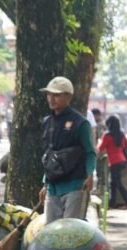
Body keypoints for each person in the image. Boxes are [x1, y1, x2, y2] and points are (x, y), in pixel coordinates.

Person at [38, 76, 96, 224]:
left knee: (70, 231)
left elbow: (90, 151)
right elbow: (48, 154)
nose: (51, 98)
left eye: (56, 95)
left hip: (75, 184)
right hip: (53, 187)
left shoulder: (80, 123)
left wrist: (90, 174)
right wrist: (45, 183)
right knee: (51, 231)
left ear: (68, 96)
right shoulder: (47, 122)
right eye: (49, 94)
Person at [97, 115, 127, 210]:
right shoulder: (121, 134)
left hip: (114, 162)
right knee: (113, 183)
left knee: (117, 183)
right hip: (122, 160)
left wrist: (99, 143)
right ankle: (112, 203)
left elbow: (100, 148)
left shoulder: (107, 135)